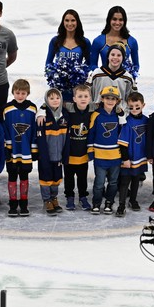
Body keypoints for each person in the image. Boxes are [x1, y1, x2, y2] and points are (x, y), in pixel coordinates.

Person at [3, 79, 37, 217]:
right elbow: (5, 129)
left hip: (26, 151)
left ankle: (24, 204)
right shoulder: (7, 108)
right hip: (12, 150)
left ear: (28, 93)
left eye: (23, 93)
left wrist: (34, 149)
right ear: (13, 92)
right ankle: (12, 204)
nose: (20, 96)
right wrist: (7, 148)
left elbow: (34, 130)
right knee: (12, 176)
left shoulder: (32, 108)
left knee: (24, 176)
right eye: (17, 93)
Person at [89, 86, 124, 215]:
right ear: (102, 99)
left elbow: (122, 134)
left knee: (113, 182)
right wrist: (90, 151)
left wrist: (124, 154)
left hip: (115, 156)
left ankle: (109, 202)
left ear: (117, 101)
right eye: (107, 98)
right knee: (99, 183)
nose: (110, 101)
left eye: (113, 99)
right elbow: (91, 134)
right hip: (100, 156)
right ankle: (96, 203)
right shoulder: (96, 115)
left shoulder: (119, 116)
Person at [46, 9, 92, 102]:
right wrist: (55, 76)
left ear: (77, 22)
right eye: (67, 20)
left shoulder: (85, 42)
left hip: (78, 87)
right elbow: (48, 63)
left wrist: (81, 75)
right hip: (59, 87)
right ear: (63, 22)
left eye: (73, 20)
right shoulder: (55, 41)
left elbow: (89, 64)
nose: (70, 23)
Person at [62, 84, 95, 212]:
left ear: (90, 98)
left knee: (82, 178)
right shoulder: (69, 107)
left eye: (86, 96)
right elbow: (51, 103)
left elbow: (108, 104)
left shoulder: (93, 108)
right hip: (69, 152)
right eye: (80, 96)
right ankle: (69, 197)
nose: (83, 99)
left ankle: (82, 197)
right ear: (74, 99)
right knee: (69, 178)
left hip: (83, 152)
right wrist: (42, 111)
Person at [36, 88, 68, 216]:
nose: (55, 100)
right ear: (46, 100)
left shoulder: (65, 115)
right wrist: (42, 155)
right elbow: (40, 139)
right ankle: (47, 200)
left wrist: (65, 154)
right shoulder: (42, 117)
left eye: (57, 98)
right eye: (51, 98)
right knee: (45, 179)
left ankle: (54, 198)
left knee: (57, 178)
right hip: (46, 156)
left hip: (59, 155)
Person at [117, 92, 149, 216]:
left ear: (143, 105)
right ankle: (121, 205)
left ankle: (133, 200)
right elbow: (122, 143)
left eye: (137, 107)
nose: (134, 109)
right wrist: (125, 159)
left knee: (136, 179)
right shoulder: (127, 122)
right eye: (131, 107)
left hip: (140, 157)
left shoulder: (146, 121)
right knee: (125, 182)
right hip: (129, 158)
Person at [90, 6, 140, 76]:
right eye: (114, 19)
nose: (117, 23)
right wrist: (103, 75)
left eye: (120, 20)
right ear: (109, 20)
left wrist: (127, 76)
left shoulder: (132, 41)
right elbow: (92, 65)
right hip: (104, 80)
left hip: (124, 80)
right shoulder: (98, 41)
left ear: (124, 21)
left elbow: (136, 65)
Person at [88, 44, 135, 110]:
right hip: (97, 113)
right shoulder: (96, 74)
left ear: (123, 58)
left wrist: (125, 112)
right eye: (112, 55)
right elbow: (87, 94)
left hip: (119, 114)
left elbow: (133, 98)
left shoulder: (128, 77)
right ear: (108, 56)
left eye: (119, 55)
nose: (115, 57)